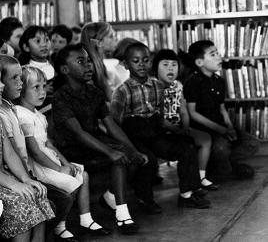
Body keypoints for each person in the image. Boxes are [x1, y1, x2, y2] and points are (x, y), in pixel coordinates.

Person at [52, 43, 161, 234]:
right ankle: (120, 211)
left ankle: (120, 211)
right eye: (81, 62)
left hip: (95, 144)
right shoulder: (61, 97)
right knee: (117, 156)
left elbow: (111, 126)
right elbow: (78, 133)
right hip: (72, 149)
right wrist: (111, 152)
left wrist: (133, 150)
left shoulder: (94, 92)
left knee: (130, 156)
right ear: (64, 69)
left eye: (88, 61)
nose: (89, 66)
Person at [111, 42, 211, 209]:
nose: (141, 65)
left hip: (154, 132)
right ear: (127, 65)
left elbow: (161, 115)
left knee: (186, 147)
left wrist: (178, 131)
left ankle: (187, 194)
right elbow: (115, 124)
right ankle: (145, 200)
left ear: (151, 62)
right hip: (133, 136)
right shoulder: (122, 91)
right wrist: (129, 148)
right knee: (147, 160)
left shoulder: (158, 86)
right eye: (136, 61)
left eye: (145, 60)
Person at [16, 65, 111, 238]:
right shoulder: (22, 116)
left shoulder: (38, 114)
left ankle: (86, 218)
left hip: (50, 160)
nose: (42, 92)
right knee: (70, 183)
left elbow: (48, 144)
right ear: (20, 89)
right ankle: (60, 225)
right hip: (38, 167)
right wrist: (58, 169)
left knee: (83, 175)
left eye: (44, 86)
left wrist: (65, 163)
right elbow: (35, 151)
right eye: (36, 87)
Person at [0, 55, 77, 242]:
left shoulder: (7, 108)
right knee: (23, 205)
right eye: (14, 78)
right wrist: (16, 183)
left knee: (39, 196)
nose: (20, 83)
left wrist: (26, 179)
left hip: (10, 174)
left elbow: (9, 152)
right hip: (5, 178)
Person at [183, 40, 259, 180]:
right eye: (213, 54)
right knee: (221, 148)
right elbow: (192, 113)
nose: (219, 57)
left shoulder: (219, 81)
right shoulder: (192, 82)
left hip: (220, 126)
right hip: (204, 129)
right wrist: (220, 129)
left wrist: (229, 126)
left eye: (218, 53)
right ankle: (223, 169)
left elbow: (222, 108)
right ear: (199, 62)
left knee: (252, 143)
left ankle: (221, 165)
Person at [152, 49, 218, 190]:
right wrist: (178, 131)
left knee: (205, 138)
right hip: (160, 131)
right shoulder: (153, 87)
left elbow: (183, 111)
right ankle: (188, 187)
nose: (170, 68)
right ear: (155, 67)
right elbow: (160, 119)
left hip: (179, 128)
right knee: (186, 145)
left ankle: (201, 176)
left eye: (174, 65)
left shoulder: (178, 86)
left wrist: (186, 128)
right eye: (165, 65)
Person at [81, 22, 118, 99]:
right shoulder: (89, 67)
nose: (116, 39)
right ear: (99, 42)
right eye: (111, 36)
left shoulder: (99, 63)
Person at [18, 25, 54, 98]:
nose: (44, 45)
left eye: (46, 40)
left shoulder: (55, 64)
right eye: (38, 41)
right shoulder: (26, 70)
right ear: (26, 47)